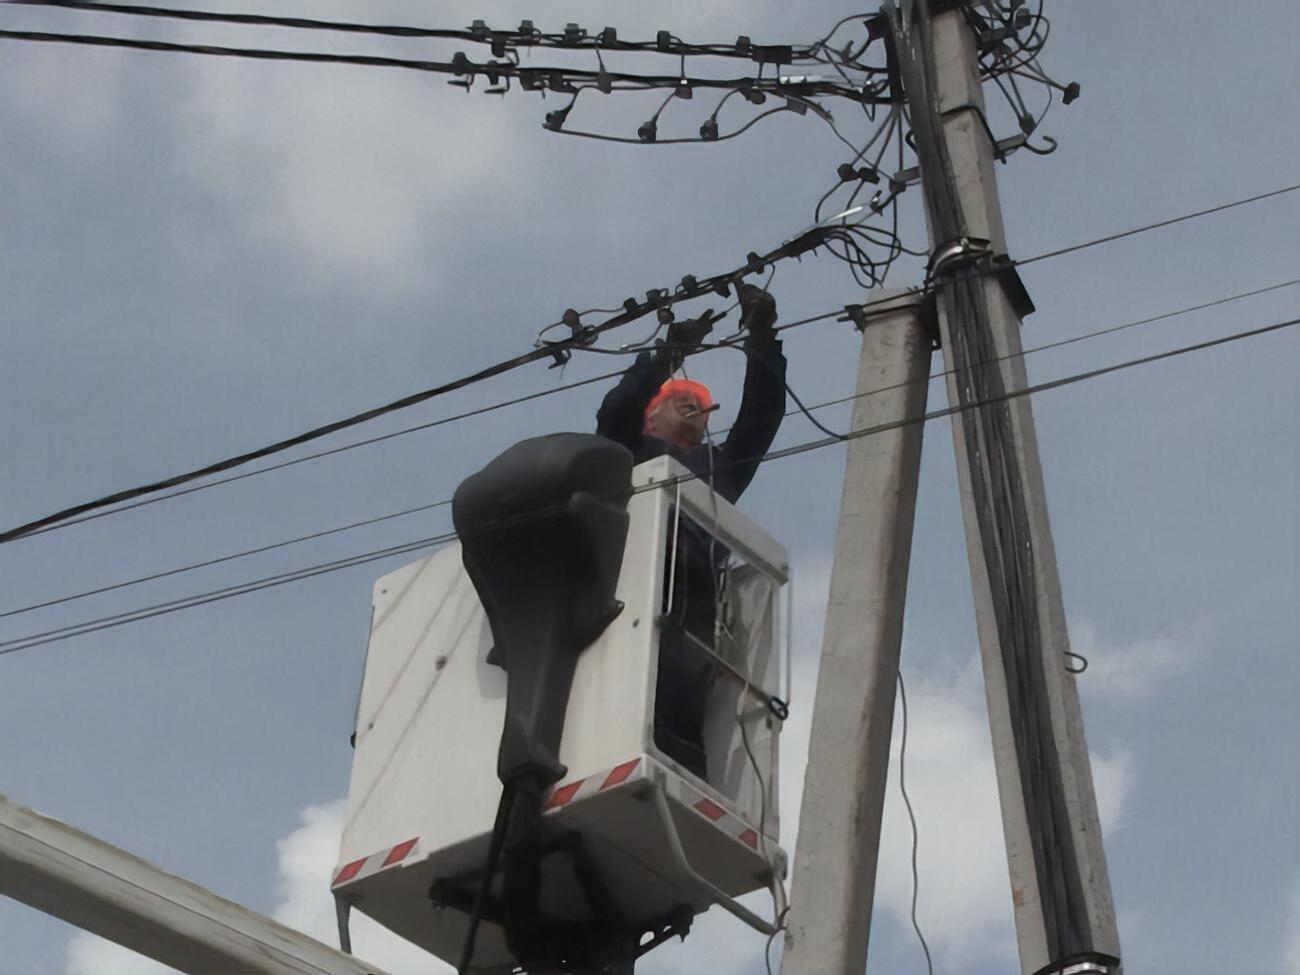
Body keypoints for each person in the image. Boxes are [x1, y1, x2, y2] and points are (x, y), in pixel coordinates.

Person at [595, 283, 786, 779]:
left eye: (701, 401)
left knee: (684, 689)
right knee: (635, 679)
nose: (695, 403)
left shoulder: (719, 468)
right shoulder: (626, 448)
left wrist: (762, 336)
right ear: (651, 412)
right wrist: (666, 355)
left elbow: (762, 417)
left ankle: (683, 771)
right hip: (632, 575)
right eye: (681, 396)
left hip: (695, 589)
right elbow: (614, 409)